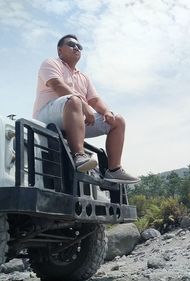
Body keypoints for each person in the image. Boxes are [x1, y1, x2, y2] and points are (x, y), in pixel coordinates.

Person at [33, 34, 139, 184]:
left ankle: (114, 170)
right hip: (47, 116)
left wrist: (106, 112)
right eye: (71, 44)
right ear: (60, 50)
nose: (76, 47)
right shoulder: (51, 63)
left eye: (79, 46)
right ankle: (79, 156)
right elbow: (57, 86)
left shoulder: (83, 77)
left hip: (74, 117)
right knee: (74, 100)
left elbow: (94, 100)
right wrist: (83, 105)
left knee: (117, 120)